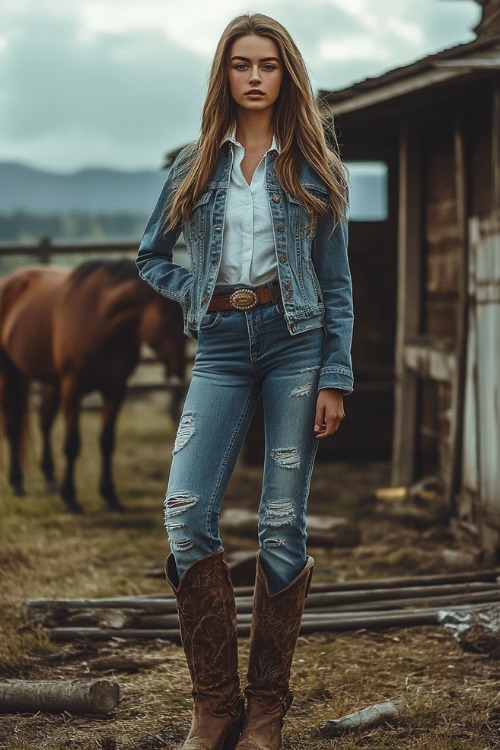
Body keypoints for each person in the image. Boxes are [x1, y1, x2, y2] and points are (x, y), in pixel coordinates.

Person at [136, 12, 353, 750]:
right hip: (223, 347)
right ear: (224, 74)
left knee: (281, 524)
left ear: (285, 74)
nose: (254, 76)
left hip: (298, 345)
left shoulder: (314, 167)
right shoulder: (196, 166)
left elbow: (338, 284)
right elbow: (150, 255)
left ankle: (265, 710)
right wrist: (196, 295)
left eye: (267, 64)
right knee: (185, 509)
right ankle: (215, 706)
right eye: (241, 64)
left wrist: (336, 376)